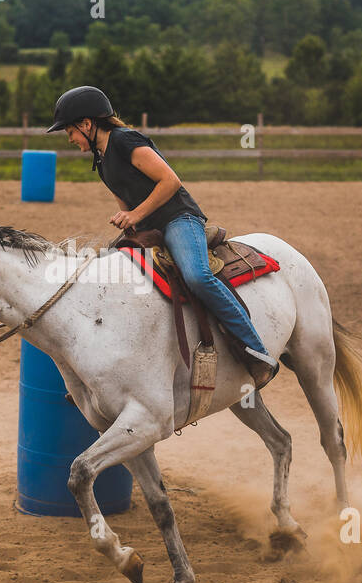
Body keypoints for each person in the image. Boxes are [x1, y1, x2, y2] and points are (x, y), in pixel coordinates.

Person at [46, 85, 279, 389]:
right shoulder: (100, 159)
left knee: (197, 276)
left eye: (70, 132)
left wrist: (135, 216)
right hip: (148, 228)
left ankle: (257, 352)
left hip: (178, 218)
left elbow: (170, 180)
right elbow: (124, 199)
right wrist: (128, 224)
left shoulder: (125, 140)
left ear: (87, 124)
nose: (70, 139)